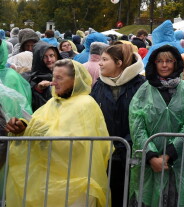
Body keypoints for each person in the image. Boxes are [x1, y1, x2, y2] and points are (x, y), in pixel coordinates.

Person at [5, 60, 112, 206]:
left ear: (75, 80)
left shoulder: (85, 104)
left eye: (59, 78)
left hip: (76, 183)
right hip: (51, 181)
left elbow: (77, 145)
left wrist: (37, 131)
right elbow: (37, 125)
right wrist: (22, 127)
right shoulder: (53, 102)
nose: (53, 83)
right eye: (53, 77)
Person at [128, 44, 184, 207]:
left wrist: (168, 154)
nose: (164, 65)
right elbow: (136, 124)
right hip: (148, 162)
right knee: (146, 197)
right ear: (154, 64)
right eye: (160, 61)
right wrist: (151, 155)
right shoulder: (143, 91)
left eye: (169, 61)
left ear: (176, 64)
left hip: (176, 161)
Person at [90, 41, 146, 207]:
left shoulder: (140, 85)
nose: (99, 63)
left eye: (105, 59)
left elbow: (143, 119)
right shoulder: (99, 85)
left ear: (119, 63)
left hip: (131, 154)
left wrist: (125, 145)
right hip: (105, 156)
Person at [27, 40, 61, 111]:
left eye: (51, 55)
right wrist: (38, 89)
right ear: (39, 59)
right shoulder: (34, 78)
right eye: (44, 57)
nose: (49, 59)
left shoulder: (62, 72)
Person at [0, 33, 32, 110]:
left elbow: (16, 107)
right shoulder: (11, 73)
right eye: (28, 46)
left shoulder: (10, 76)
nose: (30, 48)